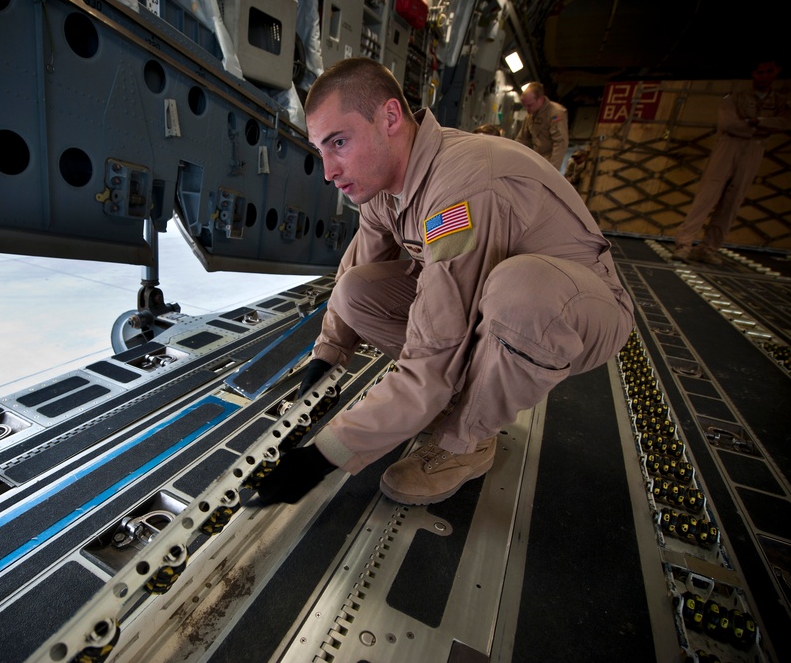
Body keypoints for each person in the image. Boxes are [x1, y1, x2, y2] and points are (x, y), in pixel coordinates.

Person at [255, 57, 634, 506]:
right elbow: (354, 276)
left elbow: (435, 352)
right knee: (355, 291)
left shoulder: (461, 187)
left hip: (579, 306)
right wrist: (327, 360)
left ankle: (466, 441)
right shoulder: (382, 187)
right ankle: (459, 400)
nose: (328, 170)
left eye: (339, 142)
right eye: (321, 149)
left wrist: (323, 457)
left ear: (390, 118)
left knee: (520, 291)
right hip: (492, 297)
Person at [672, 59, 791, 265]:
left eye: (769, 71)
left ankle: (708, 248)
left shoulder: (780, 101)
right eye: (760, 72)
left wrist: (757, 122)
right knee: (707, 196)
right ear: (753, 73)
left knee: (733, 201)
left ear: (777, 71)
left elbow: (785, 122)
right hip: (728, 146)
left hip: (754, 149)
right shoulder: (736, 97)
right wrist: (760, 128)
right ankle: (684, 244)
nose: (764, 76)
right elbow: (728, 124)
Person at [515, 81, 569, 170]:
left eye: (529, 105)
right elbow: (522, 139)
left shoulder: (555, 113)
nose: (527, 109)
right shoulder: (531, 115)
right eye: (525, 105)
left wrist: (551, 170)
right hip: (535, 160)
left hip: (548, 163)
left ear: (540, 99)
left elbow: (560, 143)